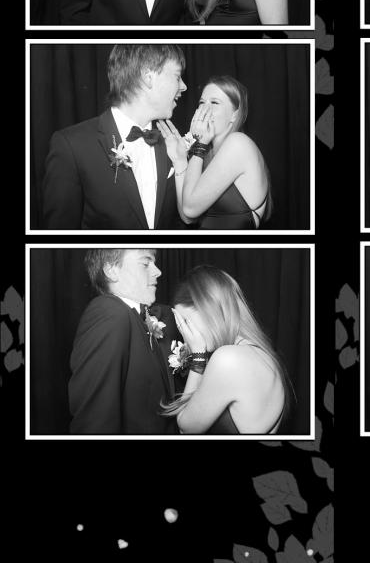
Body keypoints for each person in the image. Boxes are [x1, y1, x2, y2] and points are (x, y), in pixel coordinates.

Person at [42, 44, 188, 230]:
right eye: (177, 76)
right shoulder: (72, 146)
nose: (184, 86)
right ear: (148, 77)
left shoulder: (172, 145)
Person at [161, 266, 288, 434]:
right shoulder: (263, 355)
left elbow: (186, 429)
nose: (185, 335)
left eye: (185, 322)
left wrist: (198, 357)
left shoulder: (228, 359)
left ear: (208, 309)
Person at [69, 248, 178, 434]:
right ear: (111, 270)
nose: (158, 271)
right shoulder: (109, 312)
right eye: (145, 263)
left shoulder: (137, 317)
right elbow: (95, 421)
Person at [157, 75, 271, 229]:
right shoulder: (208, 155)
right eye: (202, 103)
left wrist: (199, 144)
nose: (205, 109)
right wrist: (180, 161)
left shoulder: (239, 143)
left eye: (215, 103)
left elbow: (190, 209)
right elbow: (188, 217)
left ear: (235, 114)